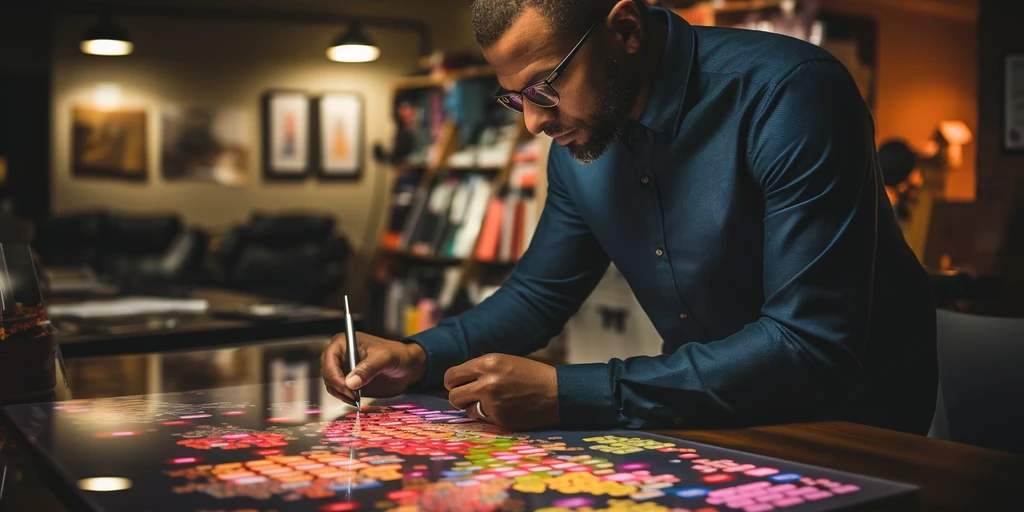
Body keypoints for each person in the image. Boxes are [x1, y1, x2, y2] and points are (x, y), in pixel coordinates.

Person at [322, 0, 937, 435]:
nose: (532, 123)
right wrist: (417, 357)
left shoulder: (790, 93)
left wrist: (572, 393)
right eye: (515, 99)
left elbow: (810, 345)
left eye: (545, 88)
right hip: (707, 419)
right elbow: (538, 296)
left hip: (854, 426)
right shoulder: (581, 139)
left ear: (626, 31)